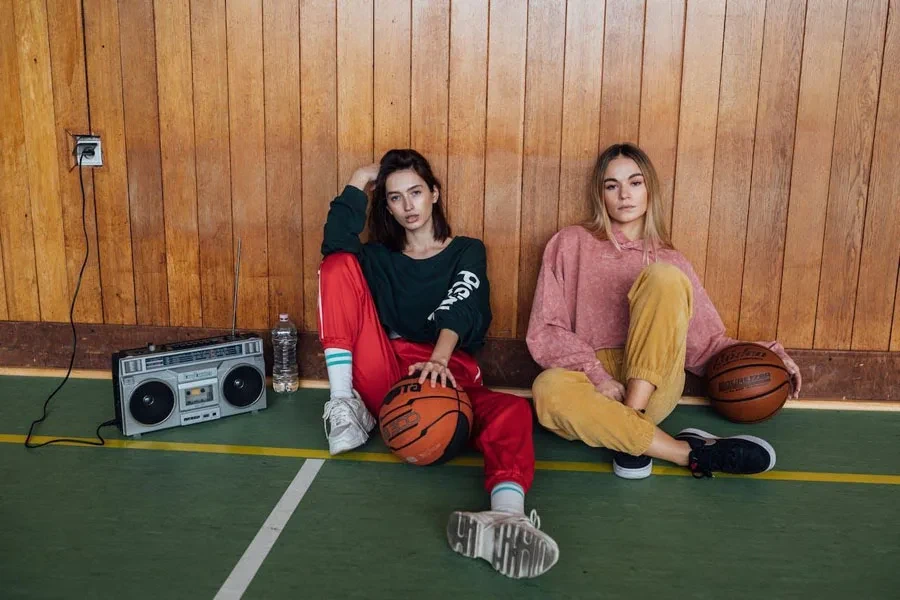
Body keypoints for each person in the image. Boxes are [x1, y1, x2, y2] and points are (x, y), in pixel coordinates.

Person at [317, 149, 558, 578]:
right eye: (394, 197)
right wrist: (358, 180)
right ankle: (342, 404)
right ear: (385, 206)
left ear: (435, 194)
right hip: (390, 373)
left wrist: (439, 360)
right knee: (337, 264)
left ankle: (506, 516)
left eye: (415, 192)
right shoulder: (378, 258)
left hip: (450, 376)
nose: (408, 206)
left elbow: (462, 304)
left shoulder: (466, 250)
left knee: (512, 410)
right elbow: (335, 246)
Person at [526, 143, 802, 480]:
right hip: (588, 380)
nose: (624, 195)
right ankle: (685, 452)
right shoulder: (570, 243)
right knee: (547, 390)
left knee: (664, 277)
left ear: (649, 190)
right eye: (612, 186)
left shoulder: (673, 261)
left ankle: (632, 417)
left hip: (652, 382)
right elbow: (546, 329)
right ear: (600, 195)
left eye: (635, 183)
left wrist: (771, 356)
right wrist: (597, 376)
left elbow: (706, 346)